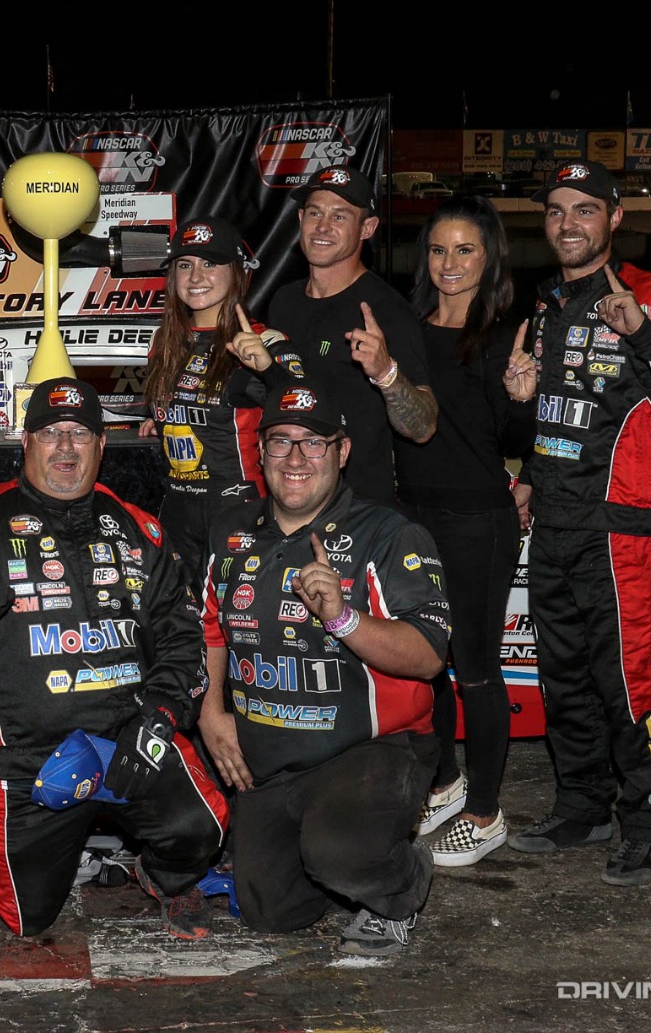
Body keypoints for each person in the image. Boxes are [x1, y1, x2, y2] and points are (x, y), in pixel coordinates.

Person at [0, 377, 228, 941]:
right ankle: (60, 848)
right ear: (25, 443)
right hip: (23, 759)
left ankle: (164, 877)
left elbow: (183, 636)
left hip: (126, 739)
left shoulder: (141, 529)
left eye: (80, 433)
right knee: (27, 922)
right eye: (51, 433)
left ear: (101, 446)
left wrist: (160, 715)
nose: (66, 448)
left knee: (202, 826)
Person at [502, 160, 651, 886]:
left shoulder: (650, 298)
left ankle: (648, 815)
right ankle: (582, 806)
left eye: (584, 210)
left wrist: (647, 336)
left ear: (614, 218)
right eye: (556, 212)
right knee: (564, 675)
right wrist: (528, 461)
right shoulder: (544, 306)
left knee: (630, 679)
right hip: (557, 523)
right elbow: (563, 412)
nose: (568, 224)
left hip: (622, 528)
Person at [198, 376, 450, 955]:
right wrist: (212, 712)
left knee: (343, 853)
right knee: (267, 910)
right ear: (259, 453)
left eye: (313, 443)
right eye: (280, 441)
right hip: (272, 758)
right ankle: (334, 856)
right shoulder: (230, 532)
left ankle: (398, 880)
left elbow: (430, 654)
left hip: (371, 749)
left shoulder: (389, 535)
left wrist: (344, 618)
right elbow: (210, 627)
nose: (294, 457)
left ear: (342, 452)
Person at [393, 197, 535, 866]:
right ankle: (446, 786)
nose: (450, 264)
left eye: (466, 250)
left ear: (489, 258)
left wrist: (521, 397)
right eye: (439, 250)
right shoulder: (407, 325)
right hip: (413, 517)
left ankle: (484, 814)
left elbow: (509, 440)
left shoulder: (505, 335)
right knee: (428, 666)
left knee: (476, 670)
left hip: (479, 519)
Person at [138, 216, 302, 585]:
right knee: (182, 628)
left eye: (210, 264)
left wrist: (268, 370)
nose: (196, 277)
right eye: (185, 265)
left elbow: (309, 416)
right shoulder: (165, 342)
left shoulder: (265, 341)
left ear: (238, 274)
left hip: (239, 509)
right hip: (177, 509)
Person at [265, 166, 437, 505]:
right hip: (288, 505)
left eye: (340, 216)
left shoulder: (386, 311)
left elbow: (424, 427)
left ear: (367, 228)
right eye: (315, 212)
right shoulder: (283, 302)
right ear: (300, 218)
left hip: (360, 515)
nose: (323, 226)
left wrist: (386, 374)